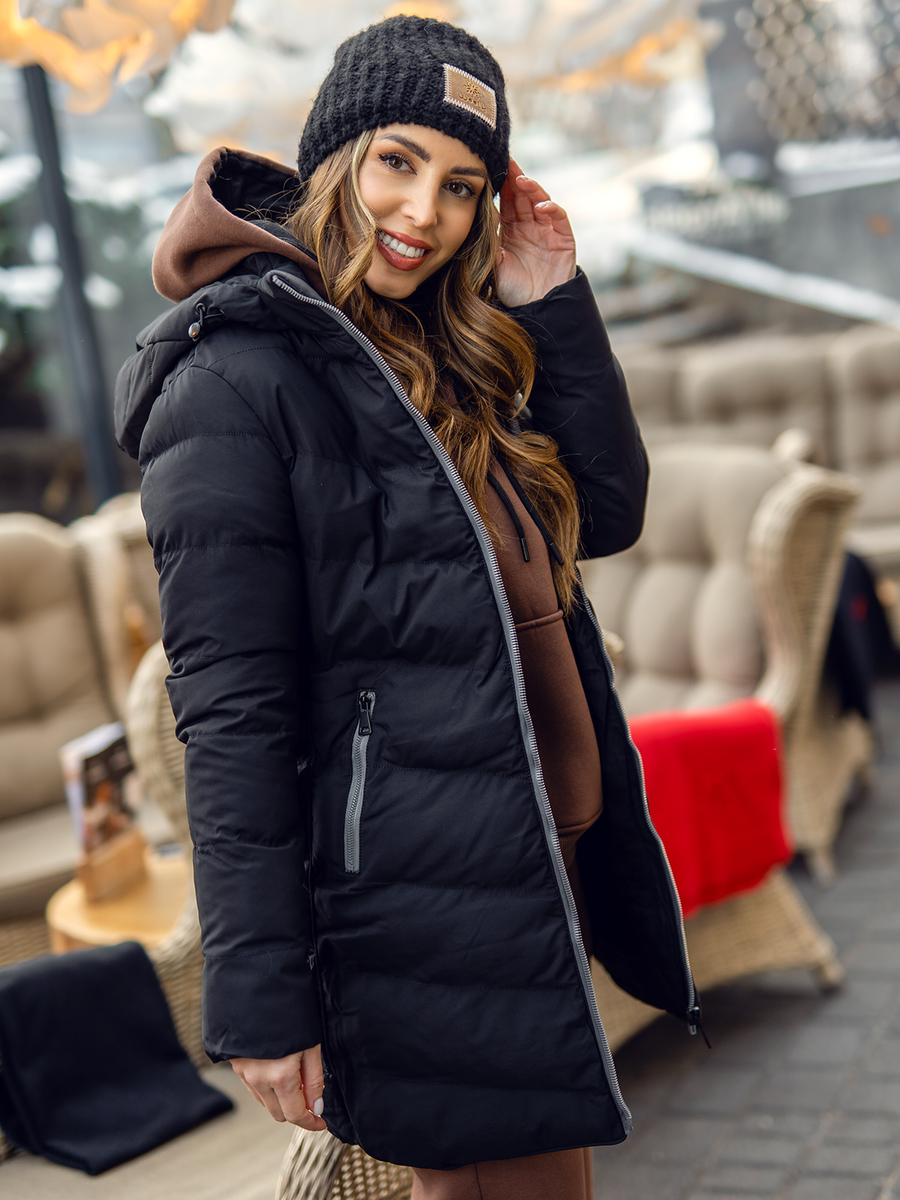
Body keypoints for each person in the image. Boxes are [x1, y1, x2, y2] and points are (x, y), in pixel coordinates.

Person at [115, 15, 697, 1200]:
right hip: (412, 902)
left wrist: (551, 299)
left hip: (522, 862)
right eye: (398, 161)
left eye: (461, 185)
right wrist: (263, 995)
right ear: (337, 154)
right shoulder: (233, 381)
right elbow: (232, 713)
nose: (424, 212)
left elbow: (610, 510)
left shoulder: (441, 345)